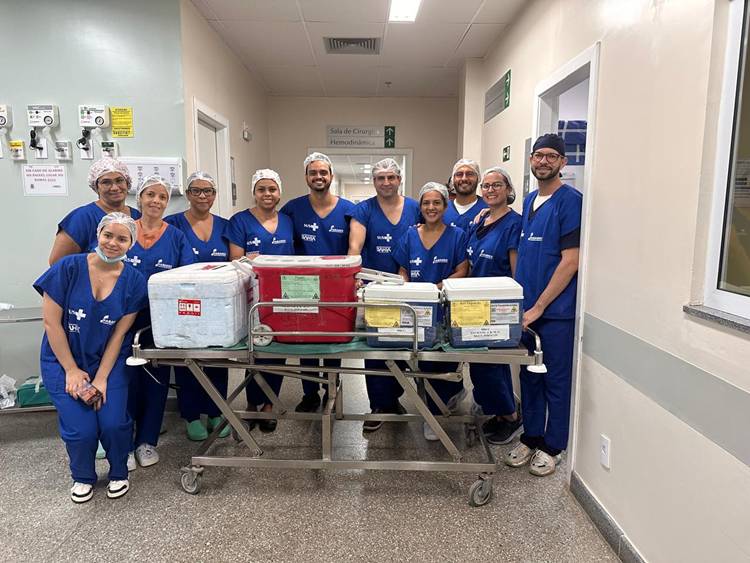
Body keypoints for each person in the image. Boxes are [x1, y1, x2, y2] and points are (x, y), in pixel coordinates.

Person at [34, 212, 148, 503]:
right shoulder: (68, 268)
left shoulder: (134, 281)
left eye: (122, 238)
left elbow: (119, 334)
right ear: (98, 234)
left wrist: (102, 378)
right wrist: (71, 370)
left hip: (109, 362)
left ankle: (119, 472)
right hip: (62, 360)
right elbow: (51, 324)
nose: (112, 243)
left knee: (113, 423)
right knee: (81, 430)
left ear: (131, 244)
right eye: (108, 235)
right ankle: (83, 476)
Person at [505, 133, 582, 477]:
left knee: (555, 379)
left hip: (554, 313)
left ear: (563, 162)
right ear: (531, 160)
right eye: (539, 155)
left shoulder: (570, 201)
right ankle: (531, 436)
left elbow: (570, 261)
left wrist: (539, 307)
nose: (544, 161)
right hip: (527, 311)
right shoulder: (530, 201)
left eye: (552, 156)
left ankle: (553, 446)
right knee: (529, 376)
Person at [126, 175, 195, 468]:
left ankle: (146, 442)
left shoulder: (176, 237)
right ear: (139, 198)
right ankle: (122, 443)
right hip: (122, 320)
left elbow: (187, 278)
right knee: (123, 381)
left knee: (156, 380)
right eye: (150, 195)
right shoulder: (123, 231)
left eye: (162, 197)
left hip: (160, 322)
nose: (156, 201)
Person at [348, 158, 421, 432]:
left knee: (403, 344)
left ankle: (394, 398)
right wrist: (352, 277)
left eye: (391, 177)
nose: (386, 182)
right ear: (374, 181)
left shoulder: (415, 208)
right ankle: (379, 404)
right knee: (376, 347)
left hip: (408, 287)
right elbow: (355, 246)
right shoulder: (364, 210)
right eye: (381, 178)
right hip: (374, 289)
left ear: (399, 179)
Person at [393, 182, 469, 440]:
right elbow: (403, 269)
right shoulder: (410, 235)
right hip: (416, 310)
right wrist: (407, 289)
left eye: (437, 202)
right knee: (421, 359)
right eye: (426, 203)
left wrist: (433, 290)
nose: (431, 207)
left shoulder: (457, 235)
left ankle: (436, 414)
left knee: (442, 361)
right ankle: (432, 406)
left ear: (445, 206)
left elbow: (462, 270)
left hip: (446, 308)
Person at [280, 152, 355, 412]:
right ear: (306, 177)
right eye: (313, 172)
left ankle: (332, 389)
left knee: (333, 338)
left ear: (331, 176)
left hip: (337, 285)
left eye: (323, 172)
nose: (319, 176)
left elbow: (355, 247)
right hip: (303, 284)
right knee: (306, 339)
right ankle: (309, 393)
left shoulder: (348, 210)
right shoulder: (292, 209)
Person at [165, 171, 231, 441]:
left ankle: (216, 411)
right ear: (187, 194)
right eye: (196, 190)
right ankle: (191, 415)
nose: (202, 196)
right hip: (183, 303)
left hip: (217, 305)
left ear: (215, 195)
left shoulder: (226, 226)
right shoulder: (172, 224)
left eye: (208, 191)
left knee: (219, 358)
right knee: (187, 358)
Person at [228, 169, 295, 432]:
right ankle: (252, 403)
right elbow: (235, 260)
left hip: (283, 296)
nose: (267, 194)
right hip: (253, 296)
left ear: (279, 192)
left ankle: (269, 404)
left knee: (277, 351)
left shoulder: (287, 221)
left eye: (272, 189)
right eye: (261, 189)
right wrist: (253, 262)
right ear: (254, 192)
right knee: (255, 351)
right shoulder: (240, 221)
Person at [465, 167, 523, 445]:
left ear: (508, 189)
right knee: (479, 365)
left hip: (498, 305)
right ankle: (500, 413)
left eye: (496, 185)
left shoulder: (514, 224)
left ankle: (510, 417)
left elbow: (516, 271)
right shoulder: (480, 220)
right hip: (473, 303)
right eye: (486, 186)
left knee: (491, 365)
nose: (490, 190)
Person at [50, 157, 141, 265]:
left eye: (119, 180)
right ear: (96, 187)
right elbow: (57, 263)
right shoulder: (82, 218)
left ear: (127, 183)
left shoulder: (138, 217)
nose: (115, 188)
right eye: (106, 182)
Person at [442, 159, 487, 230]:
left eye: (470, 174)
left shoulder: (488, 209)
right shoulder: (442, 209)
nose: (464, 178)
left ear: (478, 178)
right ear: (453, 179)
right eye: (459, 174)